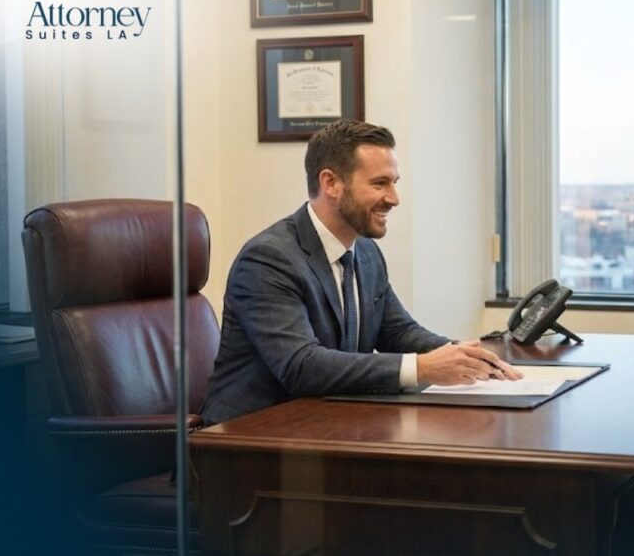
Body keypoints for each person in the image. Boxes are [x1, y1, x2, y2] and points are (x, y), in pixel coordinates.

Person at [201, 119, 521, 425]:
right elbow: (302, 366)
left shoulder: (365, 252)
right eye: (379, 183)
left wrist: (467, 356)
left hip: (328, 424)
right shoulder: (268, 259)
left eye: (394, 183)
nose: (394, 199)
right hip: (247, 441)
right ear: (331, 183)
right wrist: (423, 368)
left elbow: (398, 333)